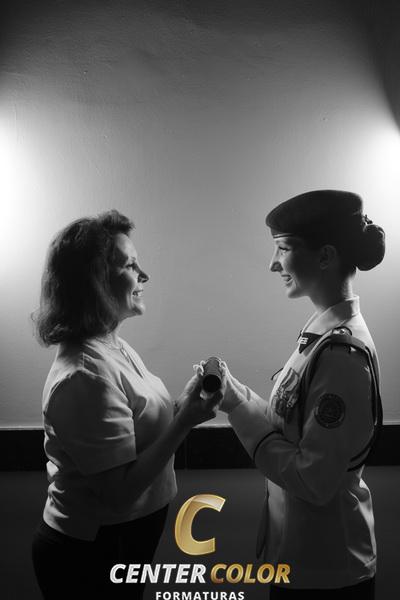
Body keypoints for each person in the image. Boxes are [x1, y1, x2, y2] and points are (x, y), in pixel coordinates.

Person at [31, 210, 221, 600]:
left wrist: (181, 406)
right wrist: (184, 422)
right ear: (96, 281)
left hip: (120, 543)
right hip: (88, 554)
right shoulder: (85, 376)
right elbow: (117, 494)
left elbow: (135, 430)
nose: (144, 276)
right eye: (131, 265)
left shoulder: (112, 346)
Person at [218, 190, 385, 598]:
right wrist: (234, 392)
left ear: (325, 256)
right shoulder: (321, 336)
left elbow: (313, 481)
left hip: (326, 571)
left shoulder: (341, 355)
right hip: (300, 558)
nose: (273, 263)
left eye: (284, 248)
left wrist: (238, 410)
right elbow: (289, 428)